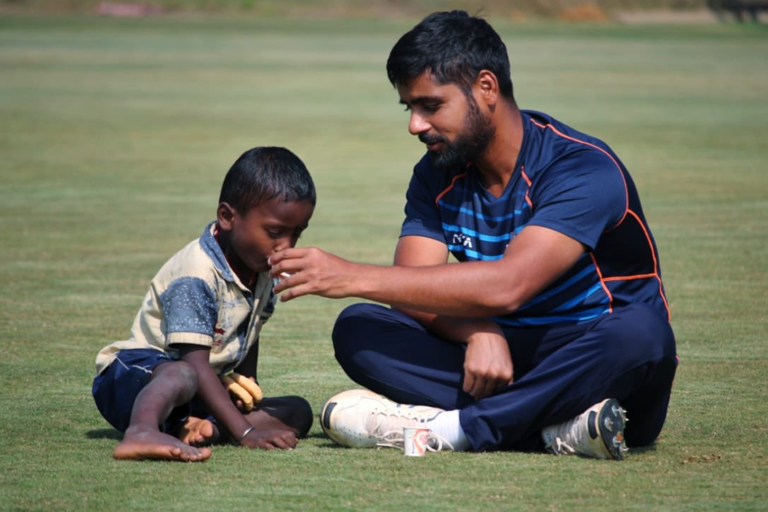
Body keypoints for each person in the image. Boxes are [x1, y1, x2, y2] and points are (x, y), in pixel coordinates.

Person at [268, 11, 679, 460]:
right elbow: (411, 291)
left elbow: (509, 286)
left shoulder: (581, 169)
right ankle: (559, 429)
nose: (415, 126)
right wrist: (476, 331)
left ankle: (459, 429)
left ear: (486, 88)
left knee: (642, 334)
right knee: (360, 328)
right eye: (410, 108)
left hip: (593, 357)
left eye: (431, 105)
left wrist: (347, 276)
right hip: (497, 365)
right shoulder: (435, 174)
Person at [92, 146, 316, 462]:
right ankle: (141, 430)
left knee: (297, 411)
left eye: (297, 234)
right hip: (138, 380)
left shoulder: (261, 267)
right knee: (183, 374)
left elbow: (248, 331)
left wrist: (245, 388)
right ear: (227, 217)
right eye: (275, 232)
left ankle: (195, 428)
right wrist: (247, 432)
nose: (287, 246)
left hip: (196, 390)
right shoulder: (196, 272)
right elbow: (194, 362)